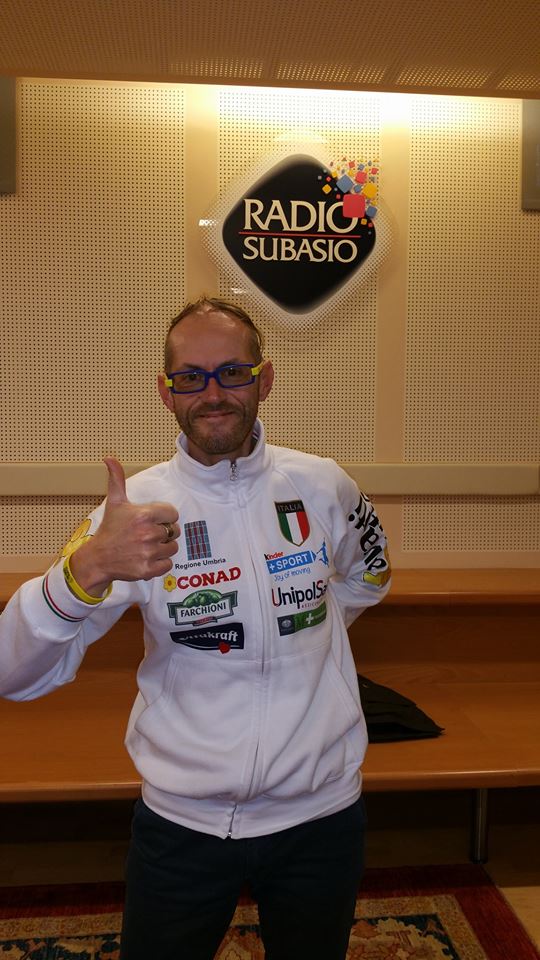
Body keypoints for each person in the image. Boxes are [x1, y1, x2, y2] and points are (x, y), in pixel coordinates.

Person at [0, 297, 391, 960]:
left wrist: (298, 633)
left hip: (322, 817)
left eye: (232, 372)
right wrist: (85, 569)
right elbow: (13, 675)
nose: (213, 394)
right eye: (191, 377)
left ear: (265, 379)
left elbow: (368, 577)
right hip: (183, 826)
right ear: (166, 392)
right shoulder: (133, 514)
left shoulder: (324, 485)